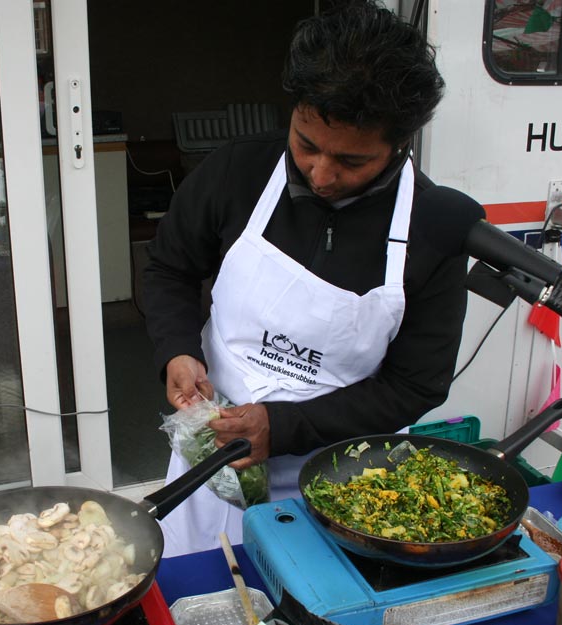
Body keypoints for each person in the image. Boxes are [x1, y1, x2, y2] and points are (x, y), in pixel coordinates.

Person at [142, 1, 470, 556]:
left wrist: (284, 427)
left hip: (344, 485)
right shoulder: (238, 173)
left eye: (352, 161)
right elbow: (169, 268)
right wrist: (177, 349)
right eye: (306, 144)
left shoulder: (435, 225)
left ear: (399, 145)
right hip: (210, 466)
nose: (321, 175)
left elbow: (416, 384)